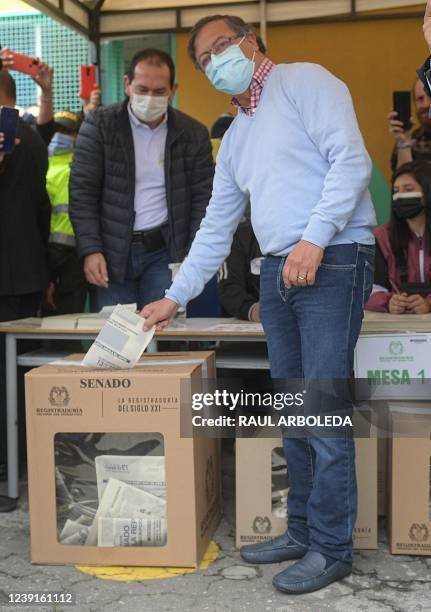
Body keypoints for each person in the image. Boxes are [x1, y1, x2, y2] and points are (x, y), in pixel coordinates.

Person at [141, 15, 376, 594]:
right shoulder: (238, 136)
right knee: (295, 414)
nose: (216, 58)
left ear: (252, 41)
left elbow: (352, 162)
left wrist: (314, 238)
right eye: (205, 57)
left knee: (321, 410)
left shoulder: (306, 82)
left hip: (334, 256)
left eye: (223, 45)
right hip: (276, 269)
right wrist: (173, 297)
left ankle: (331, 548)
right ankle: (301, 531)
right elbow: (216, 225)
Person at [69, 48, 214, 310]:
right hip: (112, 253)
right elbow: (82, 192)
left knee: (162, 335)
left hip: (165, 252)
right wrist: (90, 249)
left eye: (159, 92)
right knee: (116, 343)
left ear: (173, 90)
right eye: (142, 89)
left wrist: (192, 254)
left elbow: (203, 198)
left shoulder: (193, 134)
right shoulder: (99, 125)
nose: (150, 98)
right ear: (127, 84)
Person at [0, 71, 50, 512]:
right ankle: (22, 464)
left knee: (8, 381)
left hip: (10, 277)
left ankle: (6, 475)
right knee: (17, 378)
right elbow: (41, 208)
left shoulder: (18, 142)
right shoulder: (33, 139)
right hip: (28, 275)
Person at [366, 161, 431, 313]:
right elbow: (368, 289)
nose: (400, 196)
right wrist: (389, 302)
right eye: (396, 191)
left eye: (409, 189)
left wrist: (428, 303)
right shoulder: (381, 237)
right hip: (398, 327)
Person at [44, 110, 87, 315]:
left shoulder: (80, 167)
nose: (59, 136)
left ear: (76, 136)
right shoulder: (40, 162)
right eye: (56, 130)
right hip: (45, 254)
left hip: (72, 256)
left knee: (69, 318)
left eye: (66, 131)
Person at [218, 219, 261, 321]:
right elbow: (229, 287)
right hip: (248, 321)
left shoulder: (302, 236)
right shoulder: (238, 236)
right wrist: (252, 310)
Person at [388, 78, 431, 171]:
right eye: (420, 99)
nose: (426, 104)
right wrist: (404, 142)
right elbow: (404, 182)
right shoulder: (412, 140)